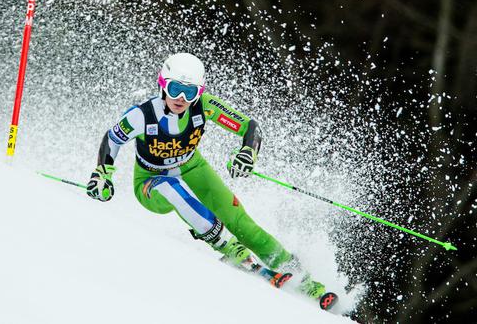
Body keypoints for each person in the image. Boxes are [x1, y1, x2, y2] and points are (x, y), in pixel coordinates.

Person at [86, 52, 326, 299]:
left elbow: (250, 127)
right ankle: (224, 244)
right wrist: (102, 173)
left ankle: (300, 277)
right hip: (150, 180)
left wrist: (248, 152)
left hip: (193, 167)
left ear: (198, 93)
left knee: (242, 224)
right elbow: (112, 139)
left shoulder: (205, 106)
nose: (180, 98)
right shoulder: (143, 115)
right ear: (163, 84)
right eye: (175, 88)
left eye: (189, 93)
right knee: (170, 186)